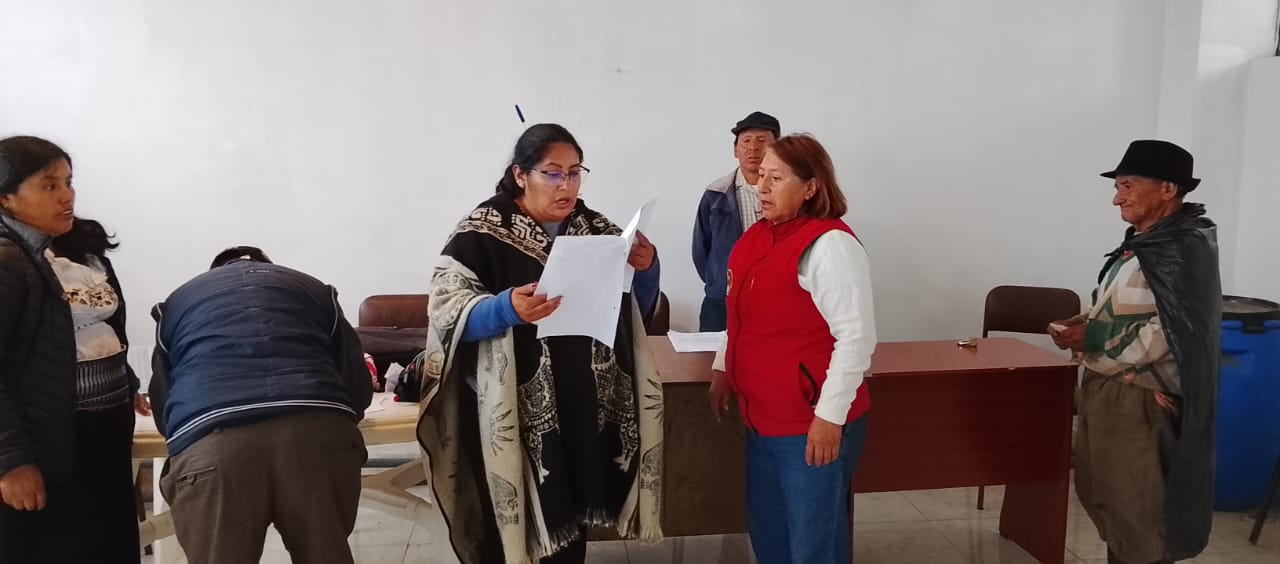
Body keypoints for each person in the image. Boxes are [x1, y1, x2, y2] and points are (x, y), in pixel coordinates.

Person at [418, 123, 664, 564]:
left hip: (581, 405)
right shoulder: (481, 232)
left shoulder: (595, 229)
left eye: (574, 172)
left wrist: (645, 269)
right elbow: (445, 311)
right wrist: (505, 309)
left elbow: (631, 309)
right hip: (512, 408)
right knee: (509, 532)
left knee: (569, 525)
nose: (566, 185)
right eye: (552, 173)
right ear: (520, 175)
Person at [1050, 140, 1221, 564]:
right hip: (1111, 388)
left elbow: (1169, 332)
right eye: (1117, 187)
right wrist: (1084, 321)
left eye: (1127, 185)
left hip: (1141, 400)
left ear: (1168, 189)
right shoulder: (1148, 243)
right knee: (1114, 505)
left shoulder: (1182, 249)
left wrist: (1092, 338)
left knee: (1140, 516)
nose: (1117, 198)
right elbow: (1130, 306)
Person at [709, 133, 876, 564]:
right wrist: (724, 368)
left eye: (776, 178)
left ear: (810, 187)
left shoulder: (829, 245)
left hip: (809, 423)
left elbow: (856, 338)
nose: (761, 187)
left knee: (813, 542)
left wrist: (829, 417)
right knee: (770, 530)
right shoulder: (756, 237)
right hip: (762, 418)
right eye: (760, 176)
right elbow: (737, 314)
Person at [149, 247, 373, 564]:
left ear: (213, 272)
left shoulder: (177, 303)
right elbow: (356, 383)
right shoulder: (312, 288)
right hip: (316, 435)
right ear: (271, 267)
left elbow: (164, 404)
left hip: (214, 446)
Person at [0, 135, 146, 563]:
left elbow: (92, 331)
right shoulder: (7, 261)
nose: (67, 196)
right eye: (49, 185)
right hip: (47, 446)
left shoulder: (68, 248)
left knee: (106, 545)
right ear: (5, 197)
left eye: (68, 182)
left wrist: (125, 381)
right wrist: (11, 461)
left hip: (98, 436)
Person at [692, 111, 780, 331]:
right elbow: (701, 249)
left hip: (776, 300)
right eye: (746, 141)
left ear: (778, 148)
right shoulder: (716, 193)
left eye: (762, 141)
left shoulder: (790, 193)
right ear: (735, 150)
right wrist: (717, 280)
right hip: (721, 303)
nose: (753, 148)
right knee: (716, 354)